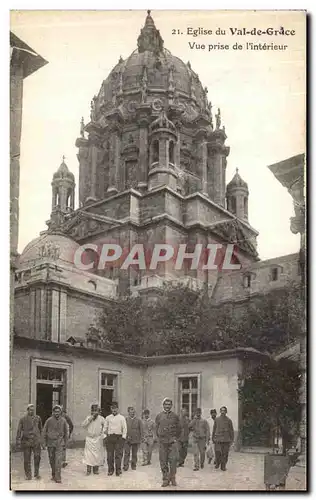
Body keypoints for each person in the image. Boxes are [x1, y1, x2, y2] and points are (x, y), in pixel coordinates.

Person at [155, 398, 181, 487]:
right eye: (165, 404)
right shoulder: (159, 416)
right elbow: (156, 429)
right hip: (162, 442)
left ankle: (172, 478)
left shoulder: (175, 416)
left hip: (172, 442)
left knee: (173, 461)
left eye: (169, 404)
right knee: (163, 461)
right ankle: (165, 479)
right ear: (163, 405)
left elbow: (179, 429)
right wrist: (159, 439)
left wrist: (175, 439)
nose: (167, 406)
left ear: (171, 406)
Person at [16, 403, 42, 480]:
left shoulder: (38, 418)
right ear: (27, 410)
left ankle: (36, 474)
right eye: (30, 410)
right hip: (26, 441)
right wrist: (18, 440)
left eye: (33, 410)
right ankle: (28, 475)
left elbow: (40, 428)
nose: (32, 411)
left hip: (36, 441)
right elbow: (19, 430)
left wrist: (40, 439)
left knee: (37, 457)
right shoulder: (23, 419)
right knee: (27, 459)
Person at [42, 405, 68, 483]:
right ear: (53, 412)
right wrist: (43, 443)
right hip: (50, 443)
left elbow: (66, 432)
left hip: (59, 443)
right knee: (51, 460)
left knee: (58, 461)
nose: (57, 413)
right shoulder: (49, 420)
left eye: (58, 411)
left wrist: (65, 443)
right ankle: (54, 474)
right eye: (55, 411)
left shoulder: (63, 421)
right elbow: (44, 432)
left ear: (60, 412)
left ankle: (58, 477)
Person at [104, 402, 127, 476]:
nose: (114, 409)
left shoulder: (122, 418)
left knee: (118, 455)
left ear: (118, 408)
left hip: (118, 438)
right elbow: (105, 428)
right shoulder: (107, 418)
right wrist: (105, 437)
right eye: (112, 408)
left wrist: (123, 438)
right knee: (109, 455)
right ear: (111, 409)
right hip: (110, 438)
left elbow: (125, 429)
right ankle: (110, 470)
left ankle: (118, 470)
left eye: (115, 408)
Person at [82, 403, 105, 475]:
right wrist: (90, 419)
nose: (95, 412)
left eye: (96, 411)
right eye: (93, 410)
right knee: (88, 455)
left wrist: (102, 435)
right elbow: (83, 425)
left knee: (97, 454)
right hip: (89, 439)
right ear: (91, 411)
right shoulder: (88, 417)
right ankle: (88, 470)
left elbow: (105, 427)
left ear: (98, 411)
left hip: (97, 438)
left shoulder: (101, 418)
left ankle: (96, 470)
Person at [212, 406, 234, 471]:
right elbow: (214, 429)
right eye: (221, 410)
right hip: (218, 439)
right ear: (220, 411)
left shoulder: (229, 420)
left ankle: (223, 466)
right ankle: (218, 462)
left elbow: (231, 430)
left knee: (225, 454)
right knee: (218, 453)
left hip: (226, 439)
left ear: (226, 412)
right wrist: (213, 437)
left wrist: (232, 440)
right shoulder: (217, 419)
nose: (223, 412)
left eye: (224, 411)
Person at [123, 407, 143, 471]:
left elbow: (141, 430)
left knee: (134, 453)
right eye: (131, 412)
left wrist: (141, 438)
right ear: (128, 412)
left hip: (136, 439)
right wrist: (124, 437)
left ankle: (133, 465)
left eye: (133, 412)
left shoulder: (138, 420)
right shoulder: (125, 419)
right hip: (127, 439)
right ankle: (125, 466)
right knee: (127, 453)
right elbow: (123, 429)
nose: (132, 413)